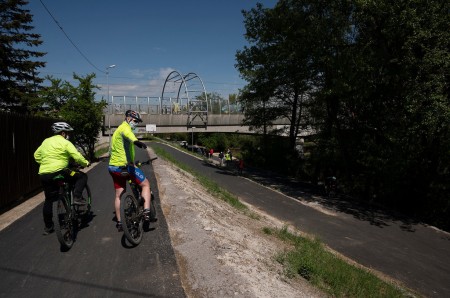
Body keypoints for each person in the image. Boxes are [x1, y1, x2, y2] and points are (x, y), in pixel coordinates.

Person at [34, 122, 90, 235]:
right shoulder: (65, 142)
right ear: (63, 133)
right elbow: (76, 155)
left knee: (49, 199)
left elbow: (36, 155)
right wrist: (85, 163)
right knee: (82, 176)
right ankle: (77, 197)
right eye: (67, 133)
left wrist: (45, 163)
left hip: (44, 174)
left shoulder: (46, 141)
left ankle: (48, 227)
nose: (68, 135)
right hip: (61, 171)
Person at [108, 110, 151, 232]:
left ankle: (120, 223)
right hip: (124, 166)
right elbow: (129, 134)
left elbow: (118, 150)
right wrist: (137, 141)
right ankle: (147, 212)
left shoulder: (117, 131)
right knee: (146, 184)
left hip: (113, 167)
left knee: (119, 195)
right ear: (128, 118)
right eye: (135, 121)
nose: (136, 124)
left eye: (138, 122)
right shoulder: (124, 128)